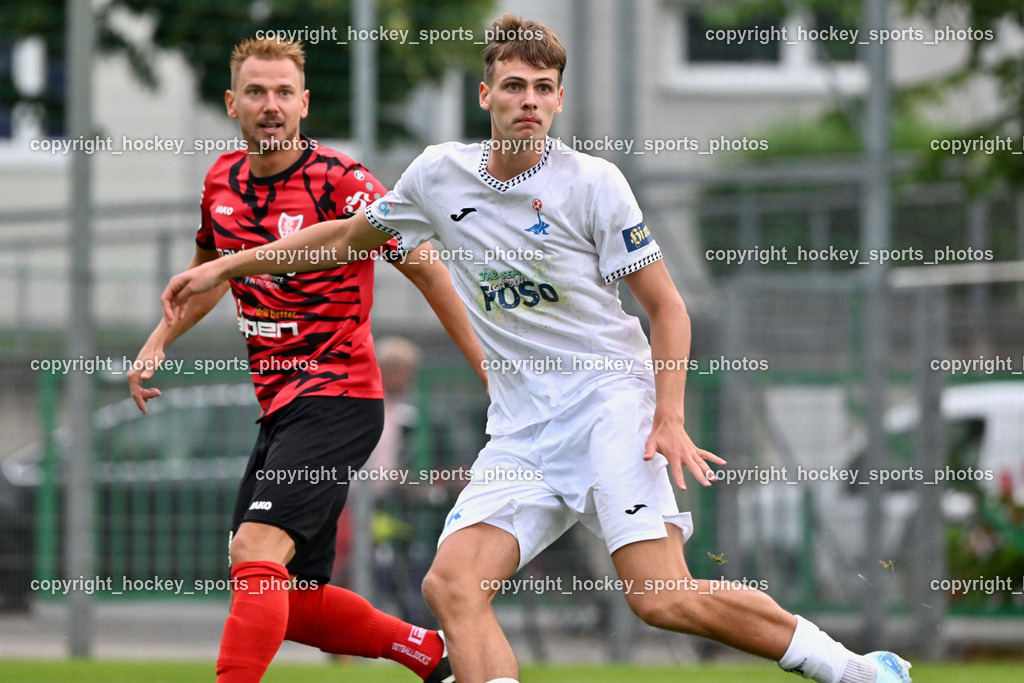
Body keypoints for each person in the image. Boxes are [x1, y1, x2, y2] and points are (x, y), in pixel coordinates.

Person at [159, 15, 914, 683]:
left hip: (608, 410)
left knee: (661, 598)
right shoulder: (438, 176)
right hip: (523, 428)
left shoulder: (594, 185)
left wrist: (671, 415)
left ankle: (851, 668)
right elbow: (344, 239)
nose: (529, 99)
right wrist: (230, 263)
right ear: (485, 97)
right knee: (452, 585)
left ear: (558, 101)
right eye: (513, 85)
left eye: (543, 87)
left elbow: (667, 309)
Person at [129, 36, 484, 682]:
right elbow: (206, 273)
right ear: (232, 103)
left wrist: (488, 367)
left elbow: (428, 270)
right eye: (257, 93)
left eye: (284, 93)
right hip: (281, 410)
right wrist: (158, 341)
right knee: (281, 598)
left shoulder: (341, 182)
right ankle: (430, 654)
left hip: (338, 397)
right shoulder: (221, 181)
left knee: (255, 552)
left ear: (305, 104)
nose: (271, 105)